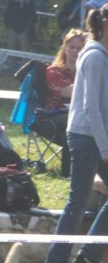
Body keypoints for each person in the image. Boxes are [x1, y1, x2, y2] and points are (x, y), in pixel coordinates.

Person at [43, 3, 108, 263]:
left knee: (78, 201)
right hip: (86, 137)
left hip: (96, 137)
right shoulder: (94, 56)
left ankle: (89, 255)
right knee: (77, 201)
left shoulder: (101, 55)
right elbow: (90, 107)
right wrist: (105, 149)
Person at [43, 28, 86, 177]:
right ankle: (68, 172)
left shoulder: (87, 70)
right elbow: (67, 92)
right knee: (75, 121)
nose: (75, 51)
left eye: (80, 48)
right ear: (65, 48)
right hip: (54, 115)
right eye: (71, 47)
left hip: (82, 112)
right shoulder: (53, 71)